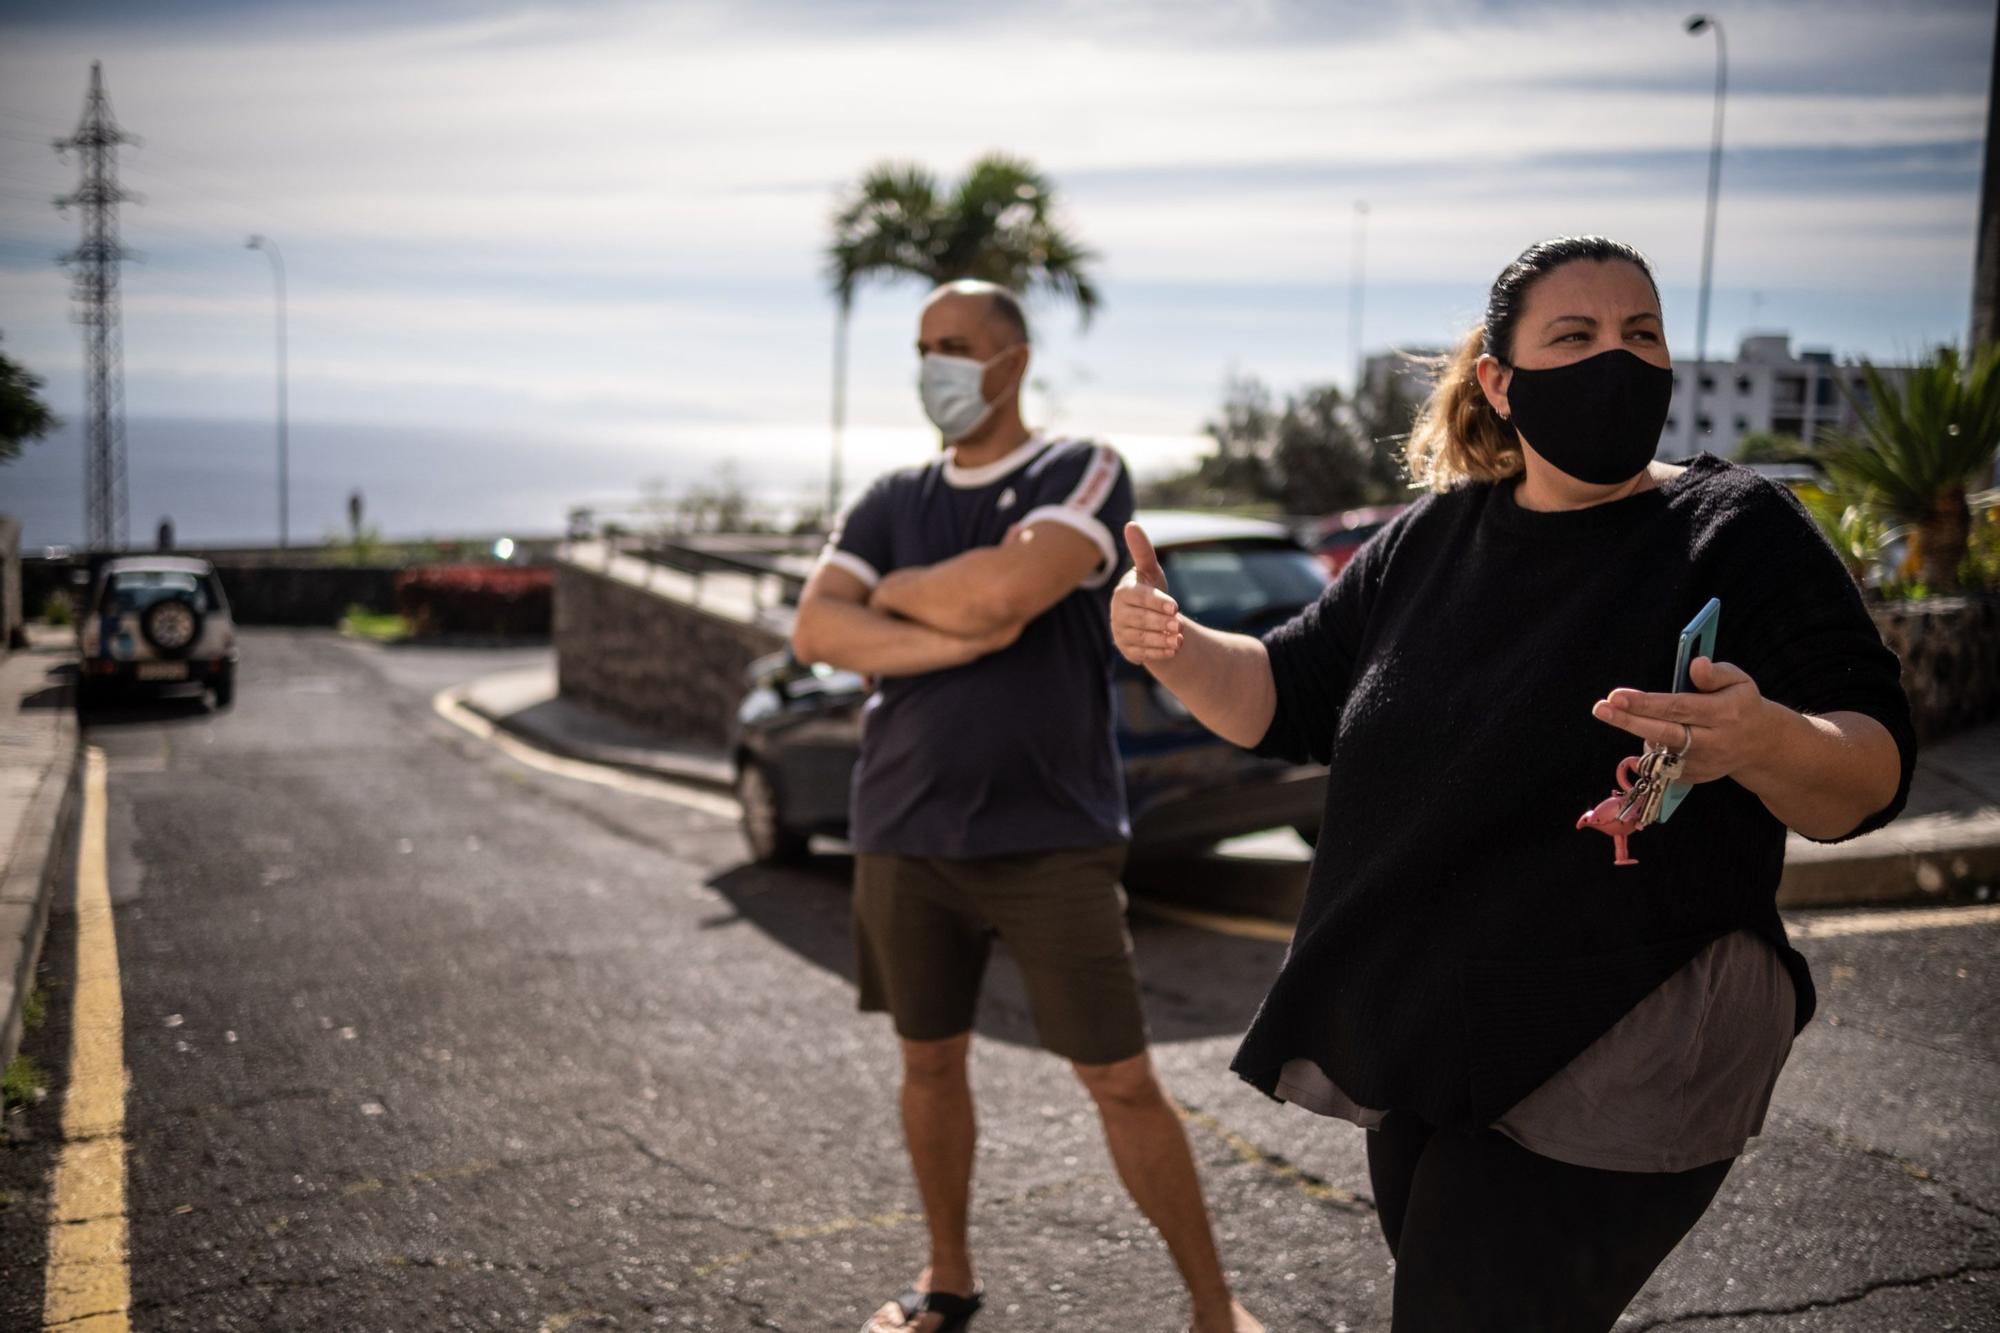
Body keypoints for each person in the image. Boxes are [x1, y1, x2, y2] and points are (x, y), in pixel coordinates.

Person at [1109, 236, 1913, 1333]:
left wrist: (1764, 740)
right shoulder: (1428, 540)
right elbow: (1275, 697)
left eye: (1641, 335)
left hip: (1635, 1021)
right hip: (1431, 1025)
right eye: (1572, 337)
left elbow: (1865, 770)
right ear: (1498, 378)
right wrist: (1168, 642)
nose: (1614, 362)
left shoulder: (1734, 530)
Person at [792, 280, 1261, 1333]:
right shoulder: (887, 494)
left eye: (954, 345)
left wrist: (900, 594)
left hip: (1048, 835)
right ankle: (946, 1279)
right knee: (927, 1061)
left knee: (1120, 1078)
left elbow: (1011, 592)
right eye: (922, 346)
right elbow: (817, 630)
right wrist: (953, 628)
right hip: (901, 828)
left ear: (1009, 361)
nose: (934, 366)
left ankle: (1213, 1310)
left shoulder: (1075, 466)